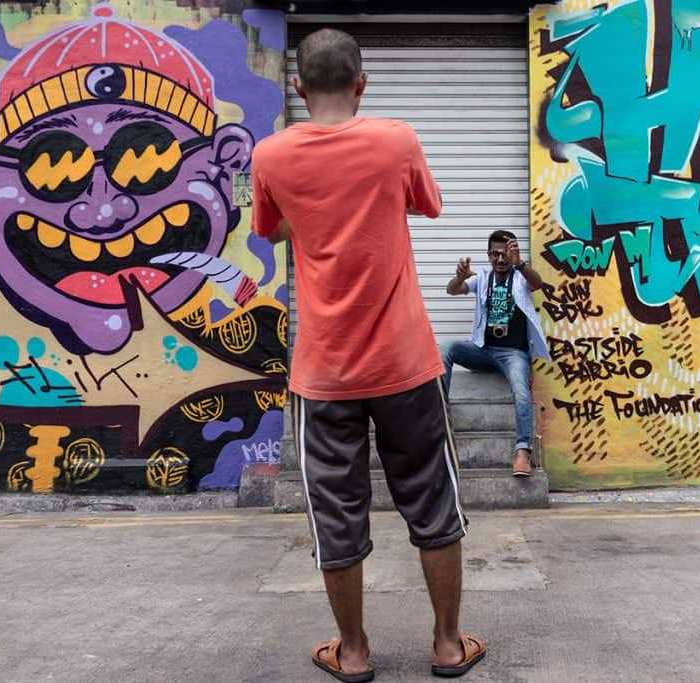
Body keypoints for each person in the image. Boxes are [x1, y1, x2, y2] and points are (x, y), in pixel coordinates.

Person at [250, 28, 485, 682]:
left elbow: (272, 228)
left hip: (323, 373)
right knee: (434, 500)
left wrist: (319, 217)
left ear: (298, 88)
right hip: (405, 363)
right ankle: (446, 644)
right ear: (362, 83)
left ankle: (352, 652)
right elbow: (426, 203)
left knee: (336, 510)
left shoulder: (270, 156)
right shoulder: (396, 141)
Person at [442, 230, 549, 477]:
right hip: (483, 350)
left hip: (513, 354)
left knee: (523, 394)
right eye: (494, 254)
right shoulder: (483, 277)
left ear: (511, 253)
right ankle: (440, 416)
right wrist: (458, 278)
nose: (499, 259)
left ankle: (523, 452)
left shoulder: (521, 276)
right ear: (488, 254)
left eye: (504, 254)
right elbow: (452, 290)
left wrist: (519, 263)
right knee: (446, 348)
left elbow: (538, 283)